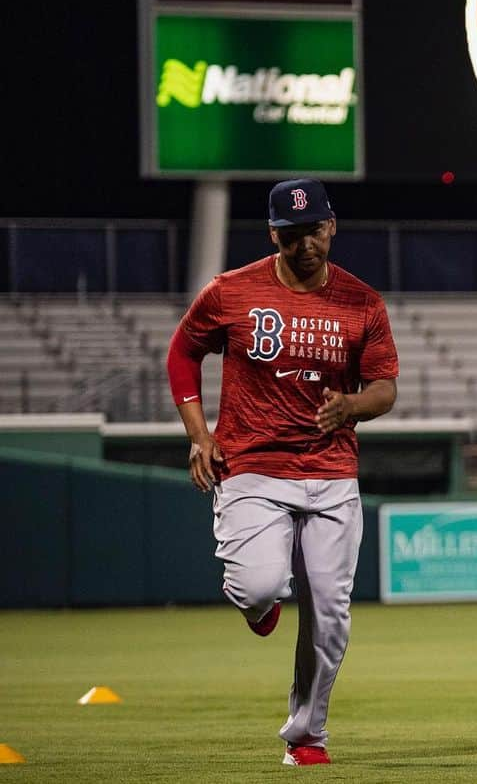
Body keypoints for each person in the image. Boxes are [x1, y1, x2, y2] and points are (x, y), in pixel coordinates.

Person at [167, 178, 399, 767]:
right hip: (252, 466)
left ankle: (307, 738)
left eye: (314, 230)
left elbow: (384, 388)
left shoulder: (362, 302)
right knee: (259, 586)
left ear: (332, 226)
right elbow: (182, 352)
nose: (305, 245)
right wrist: (199, 436)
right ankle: (260, 606)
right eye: (291, 234)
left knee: (329, 611)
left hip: (331, 471)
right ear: (273, 233)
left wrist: (352, 406)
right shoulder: (229, 292)